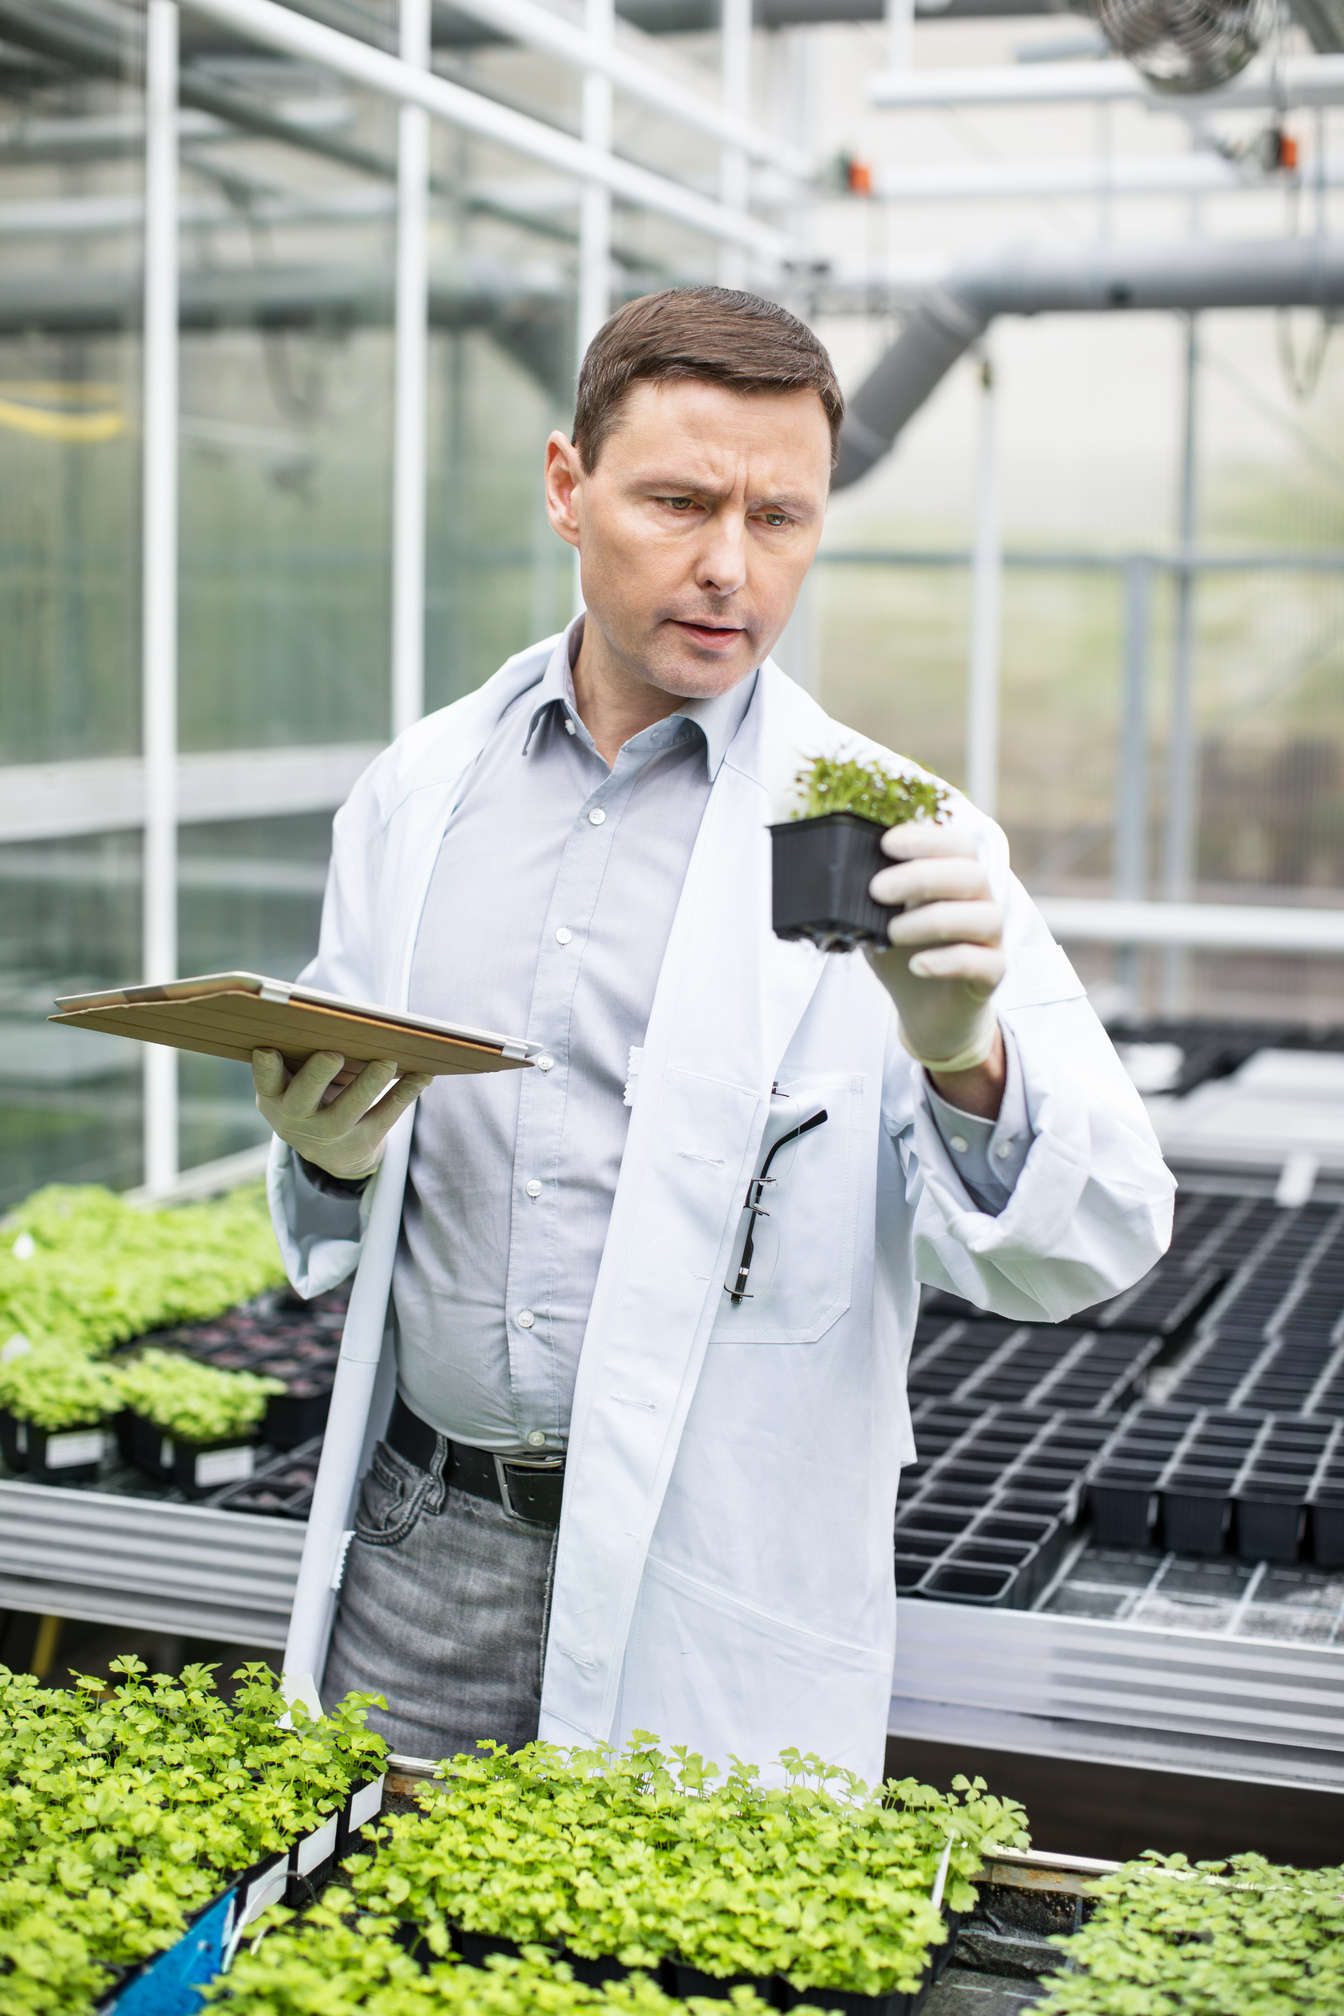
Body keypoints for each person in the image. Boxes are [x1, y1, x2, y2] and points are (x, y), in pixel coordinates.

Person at [256, 286, 1173, 1783]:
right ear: (568, 486)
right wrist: (326, 1163)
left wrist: (966, 1058)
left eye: (782, 519)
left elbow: (1107, 1231)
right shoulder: (420, 797)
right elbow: (343, 1196)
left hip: (708, 1571)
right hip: (421, 1563)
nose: (729, 569)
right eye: (679, 502)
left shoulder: (893, 833)